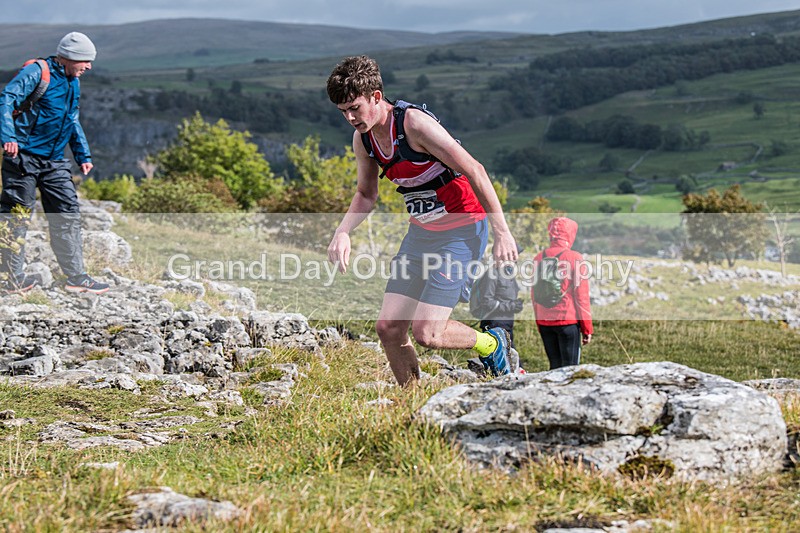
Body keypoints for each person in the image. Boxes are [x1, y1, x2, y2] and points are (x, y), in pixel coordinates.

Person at [325, 55, 519, 386]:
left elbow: (475, 169)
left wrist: (502, 232)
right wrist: (343, 231)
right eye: (343, 110)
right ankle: (411, 403)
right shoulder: (364, 139)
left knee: (428, 332)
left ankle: (493, 343)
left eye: (354, 107)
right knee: (388, 328)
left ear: (375, 97)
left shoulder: (413, 124)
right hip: (421, 234)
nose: (349, 117)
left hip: (462, 231)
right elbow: (367, 194)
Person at [0, 32, 109, 294]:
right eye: (85, 61)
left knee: (67, 213)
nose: (89, 66)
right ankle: (12, 279)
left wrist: (83, 154)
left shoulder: (73, 81)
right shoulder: (38, 72)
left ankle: (76, 277)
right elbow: (6, 98)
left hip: (54, 162)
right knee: (17, 216)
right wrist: (9, 136)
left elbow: (71, 119)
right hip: (22, 157)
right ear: (70, 57)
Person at [531, 217, 593, 369]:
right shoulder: (575, 258)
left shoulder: (538, 258)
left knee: (554, 367)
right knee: (570, 369)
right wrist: (587, 328)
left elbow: (534, 295)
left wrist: (539, 322)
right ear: (570, 234)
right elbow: (581, 297)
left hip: (545, 322)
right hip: (568, 321)